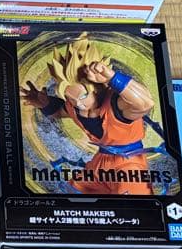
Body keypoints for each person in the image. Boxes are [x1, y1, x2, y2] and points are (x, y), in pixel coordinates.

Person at [21, 32, 156, 195]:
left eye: (83, 96)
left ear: (96, 88)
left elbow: (146, 103)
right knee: (73, 191)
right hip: (100, 161)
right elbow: (59, 112)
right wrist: (44, 103)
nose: (78, 103)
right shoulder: (75, 107)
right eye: (70, 98)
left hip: (129, 163)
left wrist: (112, 77)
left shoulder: (117, 104)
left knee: (132, 205)